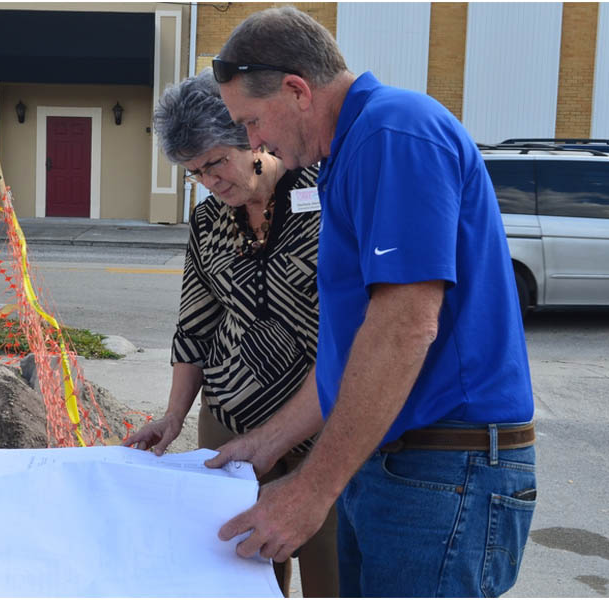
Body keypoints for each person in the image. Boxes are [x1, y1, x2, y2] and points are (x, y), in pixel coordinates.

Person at [203, 6, 537, 598]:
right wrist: (271, 441)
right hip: (400, 468)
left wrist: (311, 489)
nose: (253, 142)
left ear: (297, 90)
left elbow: (405, 326)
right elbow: (352, 352)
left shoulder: (392, 132)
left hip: (441, 472)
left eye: (251, 121)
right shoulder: (352, 151)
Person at [123, 69, 338, 598]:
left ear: (251, 136)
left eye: (215, 162)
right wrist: (173, 416)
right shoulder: (207, 222)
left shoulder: (329, 195)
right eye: (195, 173)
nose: (210, 182)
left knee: (332, 572)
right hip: (230, 422)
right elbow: (196, 324)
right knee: (237, 570)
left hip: (323, 423)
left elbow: (353, 330)